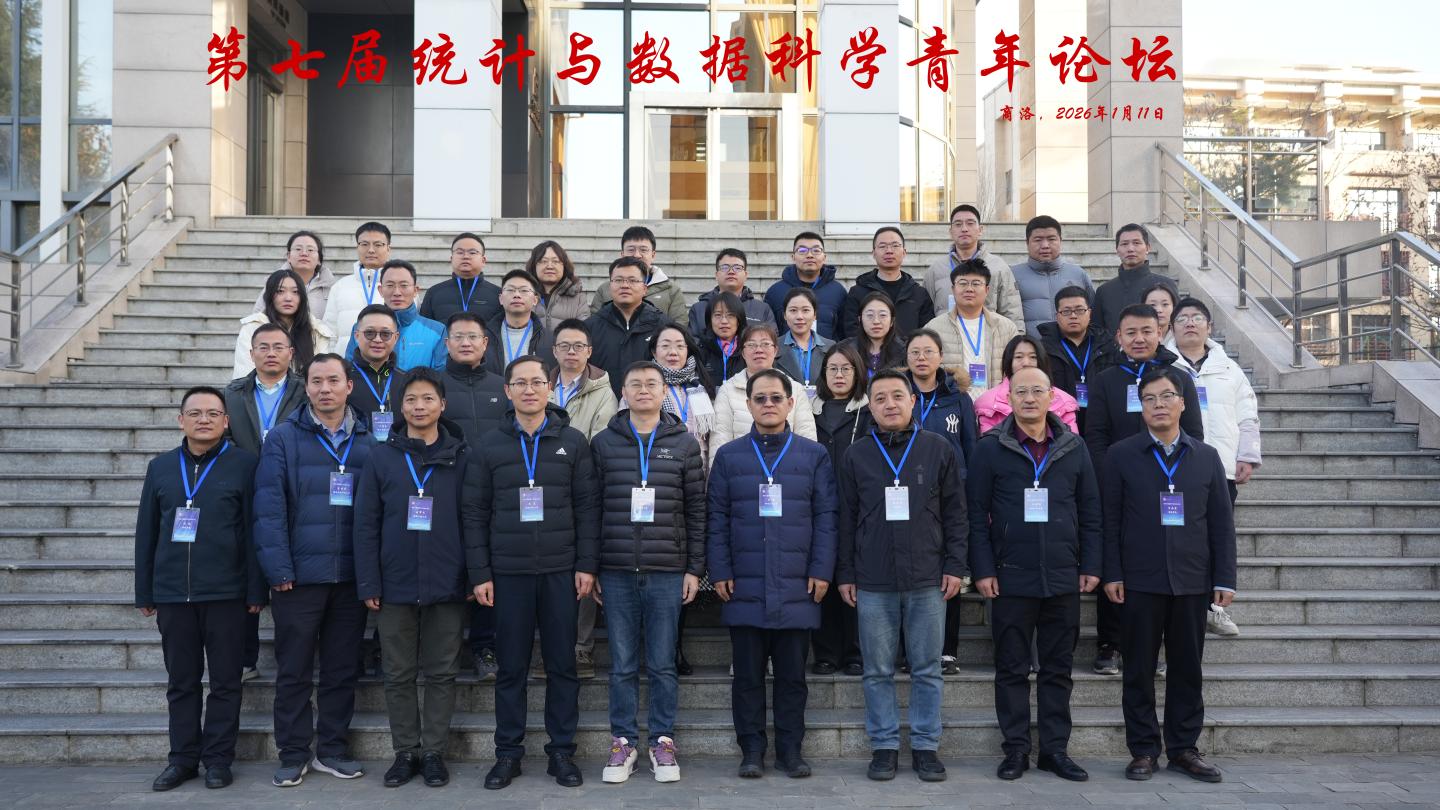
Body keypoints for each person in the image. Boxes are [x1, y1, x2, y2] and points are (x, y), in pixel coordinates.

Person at [463, 356, 601, 790]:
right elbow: (474, 512)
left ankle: (562, 752)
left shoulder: (573, 442)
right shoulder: (488, 445)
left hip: (561, 571)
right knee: (511, 669)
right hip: (508, 573)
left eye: (537, 382)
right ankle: (508, 753)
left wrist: (586, 565)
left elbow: (588, 508)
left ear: (549, 388)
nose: (528, 389)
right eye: (519, 383)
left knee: (562, 666)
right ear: (507, 391)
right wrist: (480, 573)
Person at [1102, 367, 1236, 784]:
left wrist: (1224, 577)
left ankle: (1183, 748)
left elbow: (1221, 523)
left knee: (1187, 669)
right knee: (1138, 670)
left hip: (1192, 580)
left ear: (1182, 403)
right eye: (1149, 399)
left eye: (1166, 397)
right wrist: (1112, 572)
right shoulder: (1121, 455)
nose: (1158, 405)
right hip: (1139, 580)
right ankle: (1143, 750)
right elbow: (1109, 520)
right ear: (1140, 407)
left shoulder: (1206, 457)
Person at [967, 366, 1101, 783]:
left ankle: (1055, 751)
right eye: (1020, 391)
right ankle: (1016, 750)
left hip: (1062, 575)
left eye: (1037, 391)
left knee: (1057, 669)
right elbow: (975, 516)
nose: (1028, 398)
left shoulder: (1074, 447)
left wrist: (1091, 565)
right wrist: (983, 568)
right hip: (1010, 576)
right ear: (1008, 398)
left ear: (1051, 397)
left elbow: (1091, 511)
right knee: (1011, 668)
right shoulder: (990, 448)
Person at [836, 370, 968, 783]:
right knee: (877, 669)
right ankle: (885, 746)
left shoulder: (938, 447)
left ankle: (926, 746)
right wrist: (846, 573)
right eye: (880, 398)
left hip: (928, 576)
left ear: (913, 401)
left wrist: (955, 565)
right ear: (870, 406)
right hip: (873, 579)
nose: (889, 404)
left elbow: (956, 514)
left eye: (897, 396)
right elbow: (846, 519)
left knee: (927, 667)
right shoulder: (856, 455)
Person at [708, 369, 838, 780]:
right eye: (760, 398)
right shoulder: (729, 456)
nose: (768, 404)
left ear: (790, 403)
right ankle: (751, 750)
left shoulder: (813, 455)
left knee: (792, 678)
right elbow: (716, 518)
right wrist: (719, 569)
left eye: (776, 398)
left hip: (798, 583)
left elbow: (827, 517)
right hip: (743, 583)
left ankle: (790, 751)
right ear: (748, 405)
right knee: (747, 678)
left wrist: (821, 570)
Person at [253, 354, 374, 788]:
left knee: (342, 670)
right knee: (294, 670)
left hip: (350, 577)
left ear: (349, 387)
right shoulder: (283, 438)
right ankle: (293, 752)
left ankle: (333, 749)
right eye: (317, 381)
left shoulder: (370, 439)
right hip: (298, 578)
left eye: (333, 380)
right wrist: (279, 568)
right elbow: (268, 508)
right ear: (306, 388)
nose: (325, 389)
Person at [135, 386, 263, 792]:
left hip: (227, 594)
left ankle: (218, 760)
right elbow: (146, 532)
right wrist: (145, 591)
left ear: (226, 422)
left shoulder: (245, 465)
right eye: (195, 413)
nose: (203, 420)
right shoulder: (160, 467)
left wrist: (256, 590)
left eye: (212, 413)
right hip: (173, 594)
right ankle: (182, 759)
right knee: (182, 683)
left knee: (226, 682)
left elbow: (253, 531)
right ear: (181, 420)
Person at [591, 362, 707, 785]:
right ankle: (623, 742)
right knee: (622, 664)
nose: (643, 390)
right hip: (617, 567)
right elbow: (592, 508)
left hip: (667, 570)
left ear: (664, 392)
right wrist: (592, 566)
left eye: (652, 384)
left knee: (661, 663)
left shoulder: (684, 443)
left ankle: (662, 740)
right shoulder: (604, 443)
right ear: (623, 392)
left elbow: (697, 509)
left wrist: (694, 568)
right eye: (635, 384)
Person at [353, 368, 469, 789]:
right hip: (394, 583)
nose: (419, 407)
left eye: (427, 399)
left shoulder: (461, 456)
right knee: (398, 673)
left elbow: (472, 519)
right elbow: (366, 524)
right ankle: (406, 751)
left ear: (442, 405)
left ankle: (433, 752)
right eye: (411, 400)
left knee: (442, 672)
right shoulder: (381, 457)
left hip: (448, 581)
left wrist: (473, 576)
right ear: (400, 408)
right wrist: (369, 582)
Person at [1085, 303, 1205, 676]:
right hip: (1119, 487)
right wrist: (1110, 480)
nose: (1139, 339)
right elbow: (1096, 437)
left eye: (1147, 331)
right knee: (1115, 561)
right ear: (1118, 337)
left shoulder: (1178, 379)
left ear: (1160, 333)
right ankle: (1110, 642)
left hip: (1169, 485)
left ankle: (1162, 645)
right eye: (1131, 332)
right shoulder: (1105, 379)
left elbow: (1194, 434)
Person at [1166, 297, 1260, 637]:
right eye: (1182, 319)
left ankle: (1213, 607)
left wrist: (1247, 455)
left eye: (1197, 318)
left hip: (1220, 468)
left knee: (1216, 537)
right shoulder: (1164, 366)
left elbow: (1247, 415)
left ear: (1210, 326)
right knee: (1179, 538)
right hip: (1173, 469)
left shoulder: (1229, 368)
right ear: (1171, 328)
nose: (1190, 323)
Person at [224, 323, 306, 681]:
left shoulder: (305, 390)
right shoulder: (232, 393)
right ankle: (245, 657)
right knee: (244, 570)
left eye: (278, 347)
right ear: (252, 353)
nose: (271, 353)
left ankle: (299, 656)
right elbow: (223, 438)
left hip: (293, 489)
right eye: (263, 347)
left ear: (291, 353)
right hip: (244, 488)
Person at [437, 311, 508, 679]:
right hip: (444, 488)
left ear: (485, 343)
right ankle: (441, 648)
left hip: (494, 493)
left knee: (487, 567)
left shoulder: (502, 386)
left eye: (473, 337)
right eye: (458, 337)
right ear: (446, 343)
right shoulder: (434, 385)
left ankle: (485, 647)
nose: (465, 343)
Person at [905, 328, 978, 675]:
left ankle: (947, 650)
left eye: (928, 351)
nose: (921, 358)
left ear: (940, 357)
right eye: (915, 352)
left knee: (950, 569)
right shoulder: (899, 393)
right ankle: (909, 650)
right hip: (907, 493)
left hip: (951, 491)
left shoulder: (958, 398)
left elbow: (971, 445)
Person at [550, 319, 620, 680]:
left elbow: (598, 443)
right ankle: (552, 646)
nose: (572, 352)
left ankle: (582, 647)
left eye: (579, 346)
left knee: (584, 567)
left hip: (583, 488)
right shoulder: (541, 385)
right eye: (565, 345)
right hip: (542, 490)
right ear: (554, 350)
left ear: (589, 351)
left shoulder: (603, 392)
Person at [809, 342, 869, 676]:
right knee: (823, 575)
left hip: (856, 504)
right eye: (832, 368)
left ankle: (855, 651)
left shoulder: (868, 410)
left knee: (853, 575)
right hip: (817, 505)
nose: (839, 375)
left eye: (846, 368)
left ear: (858, 372)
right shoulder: (809, 410)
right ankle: (826, 652)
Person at [710, 323, 818, 451]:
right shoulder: (728, 390)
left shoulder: (795, 389)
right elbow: (720, 441)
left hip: (788, 462)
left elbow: (807, 439)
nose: (759, 350)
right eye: (751, 345)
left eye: (765, 344)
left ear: (775, 351)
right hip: (741, 462)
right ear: (743, 353)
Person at [924, 258, 1021, 399]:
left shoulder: (1007, 328)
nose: (969, 289)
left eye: (976, 283)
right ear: (953, 289)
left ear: (987, 290)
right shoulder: (934, 328)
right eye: (963, 283)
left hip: (996, 405)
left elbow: (1017, 369)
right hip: (952, 404)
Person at [922, 205, 1025, 330]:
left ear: (980, 230)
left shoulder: (998, 267)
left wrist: (1017, 338)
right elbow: (925, 313)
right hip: (946, 339)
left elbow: (1012, 311)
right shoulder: (936, 269)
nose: (964, 229)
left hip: (988, 338)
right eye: (958, 224)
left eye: (970, 223)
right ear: (951, 232)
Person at [1036, 286, 1119, 434]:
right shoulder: (1043, 349)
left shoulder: (1106, 344)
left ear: (1089, 313)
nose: (1073, 316)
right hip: (1058, 422)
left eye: (1080, 310)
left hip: (1102, 419)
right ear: (1057, 316)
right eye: (1066, 311)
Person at [586, 257, 669, 397]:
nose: (625, 285)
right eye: (618, 280)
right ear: (610, 286)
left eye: (632, 280)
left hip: (648, 402)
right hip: (602, 404)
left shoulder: (663, 326)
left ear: (644, 289)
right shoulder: (590, 327)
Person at [235, 268, 337, 378]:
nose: (288, 298)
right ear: (270, 296)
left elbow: (320, 376)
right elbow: (244, 374)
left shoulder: (316, 331)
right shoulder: (253, 328)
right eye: (280, 291)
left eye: (295, 292)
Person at [839, 226, 935, 339]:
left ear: (904, 252)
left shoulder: (919, 294)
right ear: (873, 253)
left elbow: (926, 333)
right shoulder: (858, 292)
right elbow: (851, 331)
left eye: (895, 246)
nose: (889, 251)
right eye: (882, 246)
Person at [974, 335, 1081, 434]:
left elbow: (1071, 444)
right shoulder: (988, 404)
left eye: (1033, 357)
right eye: (1018, 357)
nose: (1026, 363)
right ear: (1009, 362)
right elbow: (990, 445)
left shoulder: (1064, 402)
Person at [1012, 216, 1095, 337]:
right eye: (1038, 240)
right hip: (1031, 347)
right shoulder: (1012, 275)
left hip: (1072, 346)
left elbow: (1093, 314)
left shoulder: (1078, 274)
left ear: (1060, 240)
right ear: (1027, 242)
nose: (1045, 245)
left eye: (1051, 239)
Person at [588, 226, 690, 322]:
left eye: (643, 250)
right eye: (631, 250)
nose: (637, 255)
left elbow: (679, 326)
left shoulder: (671, 291)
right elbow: (595, 325)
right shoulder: (605, 289)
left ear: (653, 255)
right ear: (622, 254)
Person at [647, 323, 716, 462]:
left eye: (680, 346)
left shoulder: (701, 385)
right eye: (665, 346)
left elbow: (713, 439)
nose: (673, 352)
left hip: (698, 465)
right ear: (654, 352)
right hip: (658, 465)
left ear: (688, 350)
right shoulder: (642, 386)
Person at [1092, 224, 1178, 335]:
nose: (1130, 249)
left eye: (1136, 243)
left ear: (1148, 248)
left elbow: (1178, 321)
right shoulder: (1104, 291)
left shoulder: (1166, 285)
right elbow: (1097, 331)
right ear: (1117, 250)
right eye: (1124, 244)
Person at [325, 221, 392, 357]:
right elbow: (329, 332)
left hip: (388, 363)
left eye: (378, 245)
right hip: (346, 363)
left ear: (388, 249)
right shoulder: (340, 287)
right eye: (364, 244)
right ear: (357, 247)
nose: (371, 250)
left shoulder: (400, 287)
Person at [763, 231, 847, 339]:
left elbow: (844, 332)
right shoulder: (775, 292)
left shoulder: (838, 291)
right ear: (793, 257)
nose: (809, 255)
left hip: (829, 350)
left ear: (824, 257)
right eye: (802, 251)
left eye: (816, 250)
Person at [346, 305, 407, 439]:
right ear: (356, 335)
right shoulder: (342, 379)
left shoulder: (407, 380)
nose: (377, 340)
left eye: (385, 334)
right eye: (369, 333)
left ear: (396, 337)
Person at [687, 248, 776, 336]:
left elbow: (771, 340)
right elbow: (692, 341)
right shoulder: (699, 309)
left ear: (745, 275)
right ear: (716, 275)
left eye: (737, 268)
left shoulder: (762, 309)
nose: (731, 272)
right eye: (725, 268)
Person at [420, 232, 502, 326]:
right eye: (460, 252)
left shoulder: (498, 294)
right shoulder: (434, 293)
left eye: (472, 252)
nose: (465, 256)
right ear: (451, 259)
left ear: (483, 260)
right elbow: (424, 329)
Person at [380, 260, 447, 371]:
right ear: (381, 290)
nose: (397, 292)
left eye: (404, 285)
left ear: (415, 290)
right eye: (390, 285)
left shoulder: (437, 331)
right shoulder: (364, 328)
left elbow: (440, 374)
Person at [253, 230, 335, 318]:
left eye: (310, 250)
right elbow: (257, 318)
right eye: (298, 249)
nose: (304, 253)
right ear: (289, 256)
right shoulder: (274, 283)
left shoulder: (332, 287)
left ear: (319, 258)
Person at [484, 269, 553, 374]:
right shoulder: (484, 337)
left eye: (524, 290)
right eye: (510, 290)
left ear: (535, 300)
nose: (517, 295)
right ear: (501, 299)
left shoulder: (550, 339)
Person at [775, 287, 835, 399]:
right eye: (793, 310)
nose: (799, 317)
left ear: (815, 314)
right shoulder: (773, 347)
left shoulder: (831, 348)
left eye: (806, 310)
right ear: (784, 315)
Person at [840, 292, 908, 378]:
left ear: (892, 321)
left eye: (882, 315)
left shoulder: (905, 351)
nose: (876, 321)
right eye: (870, 315)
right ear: (860, 319)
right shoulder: (845, 349)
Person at [528, 240, 589, 332]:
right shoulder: (523, 296)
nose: (550, 266)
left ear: (564, 266)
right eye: (543, 261)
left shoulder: (579, 300)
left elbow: (583, 333)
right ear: (534, 265)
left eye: (555, 261)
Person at [698, 291, 747, 386]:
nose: (724, 321)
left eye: (730, 315)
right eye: (718, 315)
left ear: (739, 320)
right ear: (710, 320)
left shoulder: (748, 349)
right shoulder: (700, 350)